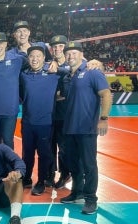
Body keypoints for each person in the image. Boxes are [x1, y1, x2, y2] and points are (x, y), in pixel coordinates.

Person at [60, 41, 112, 214]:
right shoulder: (68, 76)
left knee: (89, 164)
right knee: (74, 164)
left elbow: (106, 94)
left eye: (74, 53)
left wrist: (103, 118)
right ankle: (77, 192)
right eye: (68, 53)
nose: (70, 56)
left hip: (86, 127)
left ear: (82, 54)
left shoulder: (92, 71)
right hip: (70, 128)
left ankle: (91, 199)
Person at [19, 44, 65, 196]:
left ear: (44, 58)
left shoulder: (53, 73)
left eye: (38, 56)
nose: (34, 59)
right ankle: (26, 178)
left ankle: (41, 182)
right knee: (27, 153)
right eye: (32, 56)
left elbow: (72, 69)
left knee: (44, 154)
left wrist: (57, 64)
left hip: (45, 123)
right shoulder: (23, 75)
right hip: (27, 122)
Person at [0, 32, 28, 150]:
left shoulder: (17, 60)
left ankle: (10, 166)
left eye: (1, 43)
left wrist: (54, 61)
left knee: (8, 140)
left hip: (10, 111)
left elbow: (36, 60)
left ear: (6, 44)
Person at [49, 35, 72, 189]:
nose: (57, 49)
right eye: (54, 46)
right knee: (49, 147)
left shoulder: (74, 65)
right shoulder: (48, 65)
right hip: (49, 113)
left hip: (65, 114)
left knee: (64, 148)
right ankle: (49, 175)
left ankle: (65, 174)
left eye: (60, 46)